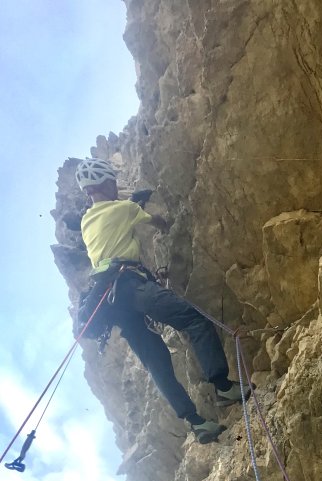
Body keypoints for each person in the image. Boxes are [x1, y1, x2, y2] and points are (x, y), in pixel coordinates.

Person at [73, 157, 248, 443]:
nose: (117, 186)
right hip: (130, 285)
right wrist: (150, 212)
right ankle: (223, 386)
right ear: (105, 182)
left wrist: (131, 206)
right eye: (113, 182)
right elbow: (160, 222)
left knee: (157, 363)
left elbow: (112, 218)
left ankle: (197, 423)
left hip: (112, 304)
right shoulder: (124, 208)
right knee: (192, 319)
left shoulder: (86, 221)